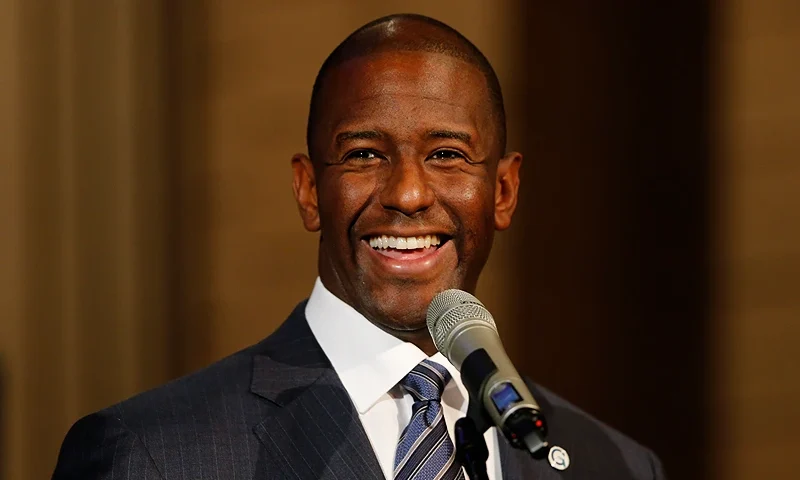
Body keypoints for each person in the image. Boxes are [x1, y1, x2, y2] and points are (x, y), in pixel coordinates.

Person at [52, 13, 665, 480]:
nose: (408, 193)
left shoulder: (613, 465)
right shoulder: (152, 455)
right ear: (309, 190)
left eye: (447, 155)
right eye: (364, 154)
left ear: (503, 191)